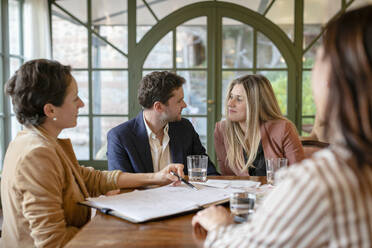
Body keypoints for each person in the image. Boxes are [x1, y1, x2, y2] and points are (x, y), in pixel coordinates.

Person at [192, 5, 372, 247]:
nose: (230, 104)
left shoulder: (319, 182)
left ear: (333, 80)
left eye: (317, 58)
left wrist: (220, 226)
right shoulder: (223, 130)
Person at [0, 59, 184, 248]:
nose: (81, 104)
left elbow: (90, 178)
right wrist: (113, 234)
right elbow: (53, 243)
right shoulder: (37, 154)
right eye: (75, 98)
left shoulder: (36, 141)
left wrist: (156, 177)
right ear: (50, 109)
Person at [107, 71, 219, 176]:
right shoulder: (120, 137)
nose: (184, 105)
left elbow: (208, 171)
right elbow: (120, 185)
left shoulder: (185, 128)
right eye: (179, 101)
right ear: (158, 107)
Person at [214, 74, 304, 176]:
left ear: (256, 104)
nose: (230, 103)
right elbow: (228, 178)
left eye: (239, 99)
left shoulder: (283, 128)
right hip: (242, 192)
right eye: (231, 97)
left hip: (278, 191)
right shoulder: (222, 130)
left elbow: (299, 175)